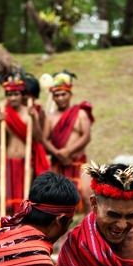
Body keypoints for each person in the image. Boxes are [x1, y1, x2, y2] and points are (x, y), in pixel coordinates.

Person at [43, 71, 94, 211]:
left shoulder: (80, 113)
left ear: (70, 94)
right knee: (54, 201)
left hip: (77, 161)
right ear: (52, 97)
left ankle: (89, 231)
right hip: (58, 163)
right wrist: (58, 153)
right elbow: (44, 139)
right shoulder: (50, 117)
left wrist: (68, 151)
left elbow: (86, 136)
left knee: (87, 195)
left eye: (63, 94)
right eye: (56, 95)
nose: (60, 98)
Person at [0, 75, 50, 214]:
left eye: (16, 94)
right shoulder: (4, 112)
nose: (13, 98)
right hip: (9, 161)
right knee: (8, 198)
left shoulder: (30, 112)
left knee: (25, 196)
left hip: (26, 162)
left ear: (21, 95)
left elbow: (39, 138)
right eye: (9, 94)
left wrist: (34, 118)